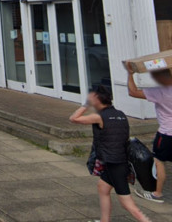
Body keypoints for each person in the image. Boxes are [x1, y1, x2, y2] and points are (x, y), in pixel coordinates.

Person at [70, 84, 152, 222]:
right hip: (119, 161)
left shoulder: (99, 116)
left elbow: (73, 118)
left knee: (128, 204)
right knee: (103, 188)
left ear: (97, 99)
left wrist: (86, 104)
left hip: (115, 165)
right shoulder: (120, 114)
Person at [126, 61, 172, 202]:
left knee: (159, 162)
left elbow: (132, 91)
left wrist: (130, 74)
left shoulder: (161, 92)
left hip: (166, 134)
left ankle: (157, 194)